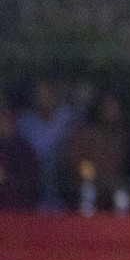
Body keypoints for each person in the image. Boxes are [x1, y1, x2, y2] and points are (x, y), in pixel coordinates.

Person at [62, 90, 130, 214]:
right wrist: (90, 175)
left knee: (122, 196)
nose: (112, 111)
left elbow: (124, 169)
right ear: (100, 109)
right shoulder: (86, 134)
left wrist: (112, 182)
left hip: (113, 187)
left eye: (115, 107)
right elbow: (76, 162)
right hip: (88, 186)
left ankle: (122, 228)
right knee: (88, 192)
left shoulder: (123, 138)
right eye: (108, 106)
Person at [17, 79, 79, 212]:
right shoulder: (25, 120)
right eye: (39, 94)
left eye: (48, 92)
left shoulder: (67, 115)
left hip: (64, 182)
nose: (44, 97)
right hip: (33, 184)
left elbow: (76, 145)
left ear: (55, 93)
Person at [0, 102, 42, 211]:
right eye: (3, 119)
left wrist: (8, 179)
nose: (5, 123)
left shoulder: (23, 148)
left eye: (8, 119)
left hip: (19, 209)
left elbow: (32, 179)